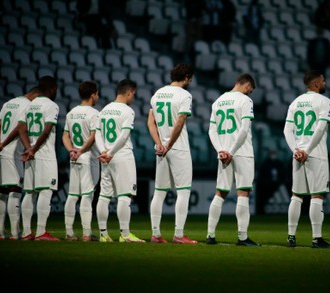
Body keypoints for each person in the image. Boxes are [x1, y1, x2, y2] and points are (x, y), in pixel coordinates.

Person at [206, 73, 261, 246]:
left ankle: (210, 235)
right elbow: (244, 130)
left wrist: (221, 151)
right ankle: (243, 237)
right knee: (243, 193)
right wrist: (231, 151)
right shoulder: (245, 101)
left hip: (223, 154)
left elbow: (211, 131)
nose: (249, 94)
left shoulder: (218, 101)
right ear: (246, 86)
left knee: (220, 193)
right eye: (250, 91)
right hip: (241, 152)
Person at [147, 63, 198, 244]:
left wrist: (159, 144)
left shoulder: (157, 93)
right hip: (177, 147)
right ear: (186, 77)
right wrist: (168, 144)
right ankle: (178, 235)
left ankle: (155, 234)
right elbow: (180, 121)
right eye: (190, 78)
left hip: (161, 149)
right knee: (183, 192)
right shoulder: (185, 95)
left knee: (159, 192)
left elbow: (150, 122)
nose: (190, 81)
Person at [283, 70, 330, 248]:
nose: (325, 83)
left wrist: (296, 150)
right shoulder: (325, 101)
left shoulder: (295, 102)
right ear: (317, 83)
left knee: (296, 196)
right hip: (315, 154)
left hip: (298, 155)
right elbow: (320, 128)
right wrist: (308, 150)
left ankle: (291, 237)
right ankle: (316, 238)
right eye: (323, 80)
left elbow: (286, 130)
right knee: (317, 196)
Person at [94, 79, 144, 243]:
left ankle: (103, 234)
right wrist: (112, 152)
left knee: (104, 195)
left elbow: (97, 134)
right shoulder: (128, 111)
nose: (133, 98)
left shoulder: (104, 110)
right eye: (133, 94)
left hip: (105, 158)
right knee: (125, 195)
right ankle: (125, 234)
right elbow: (123, 136)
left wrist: (104, 151)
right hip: (121, 155)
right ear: (129, 92)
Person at [20, 76, 60, 241]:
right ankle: (41, 232)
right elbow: (47, 129)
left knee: (29, 193)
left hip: (30, 155)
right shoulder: (52, 106)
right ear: (51, 89)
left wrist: (28, 148)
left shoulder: (29, 105)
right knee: (45, 191)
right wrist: (34, 148)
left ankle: (26, 232)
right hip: (44, 155)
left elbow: (21, 128)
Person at [0, 87, 40, 240]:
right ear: (35, 95)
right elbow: (19, 128)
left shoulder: (9, 103)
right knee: (15, 190)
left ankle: (1, 232)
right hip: (13, 153)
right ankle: (15, 233)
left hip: (2, 153)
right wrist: (4, 143)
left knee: (2, 192)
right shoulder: (27, 106)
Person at [62, 81, 100, 241]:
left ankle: (69, 232)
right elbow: (92, 137)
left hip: (74, 157)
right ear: (93, 94)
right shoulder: (94, 113)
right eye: (97, 94)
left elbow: (65, 135)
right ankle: (86, 233)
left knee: (72, 195)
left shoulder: (71, 113)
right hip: (87, 157)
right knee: (87, 195)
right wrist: (81, 151)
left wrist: (72, 150)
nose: (98, 97)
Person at [255, 149, 286, 215]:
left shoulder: (279, 163)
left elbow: (283, 174)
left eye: (274, 153)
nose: (273, 155)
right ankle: (262, 212)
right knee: (265, 199)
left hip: (277, 185)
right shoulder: (265, 163)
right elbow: (261, 175)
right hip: (266, 185)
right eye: (272, 153)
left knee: (276, 198)